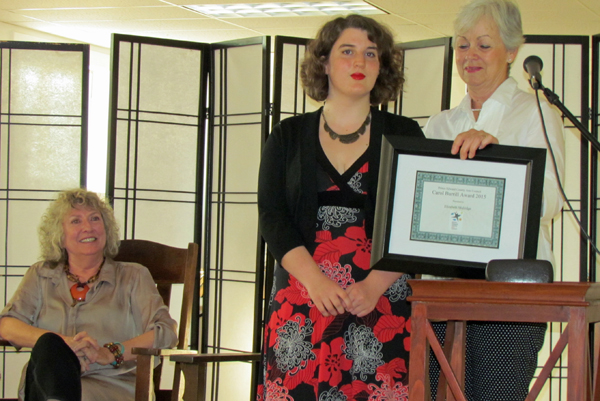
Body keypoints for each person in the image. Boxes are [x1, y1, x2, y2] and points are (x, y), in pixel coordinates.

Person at [256, 14, 424, 401]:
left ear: (382, 67)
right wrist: (315, 281)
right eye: (347, 51)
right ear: (325, 63)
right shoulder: (286, 136)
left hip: (381, 296)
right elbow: (273, 217)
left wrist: (374, 285)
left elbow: (415, 220)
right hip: (303, 295)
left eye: (371, 53)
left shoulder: (406, 133)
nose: (360, 63)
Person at [423, 0, 565, 400]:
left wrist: (498, 158)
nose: (471, 55)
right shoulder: (439, 125)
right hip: (444, 291)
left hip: (513, 292)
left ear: (513, 51)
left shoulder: (535, 114)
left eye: (484, 45)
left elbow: (551, 201)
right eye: (463, 44)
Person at [0, 188, 178, 401]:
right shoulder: (41, 274)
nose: (88, 227)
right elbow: (7, 326)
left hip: (112, 386)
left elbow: (166, 332)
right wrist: (64, 347)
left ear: (106, 229)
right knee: (49, 345)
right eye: (76, 221)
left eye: (95, 219)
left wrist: (110, 353)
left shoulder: (133, 276)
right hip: (45, 383)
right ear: (60, 235)